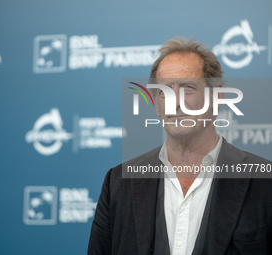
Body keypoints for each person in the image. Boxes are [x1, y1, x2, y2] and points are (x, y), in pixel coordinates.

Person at [88, 36, 272, 255]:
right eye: (165, 91)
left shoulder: (265, 182)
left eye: (188, 88)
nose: (175, 101)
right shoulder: (118, 183)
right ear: (156, 104)